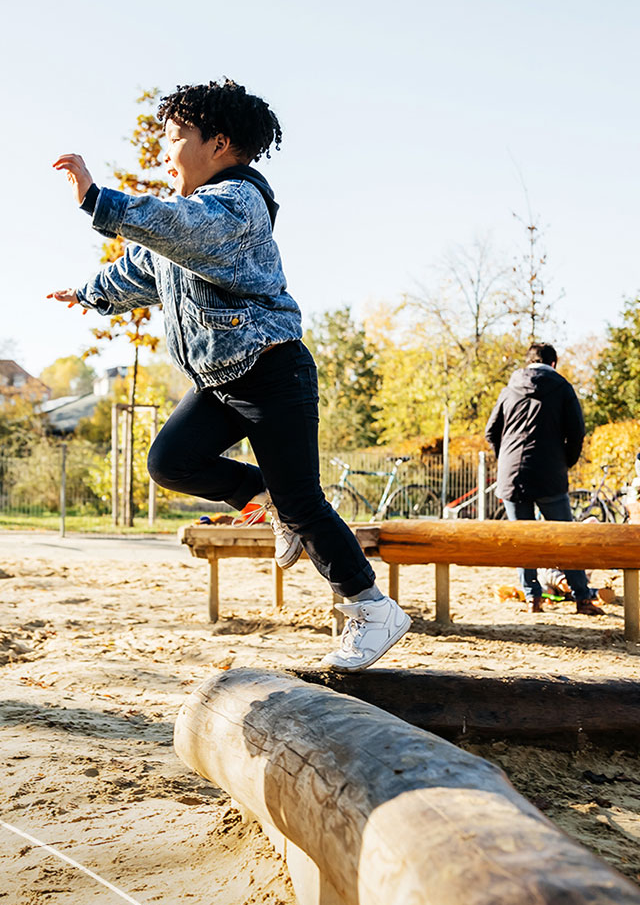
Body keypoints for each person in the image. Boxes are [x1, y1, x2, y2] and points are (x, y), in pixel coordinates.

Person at [44, 78, 410, 669]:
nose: (165, 151)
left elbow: (176, 226)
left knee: (303, 499)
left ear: (217, 144)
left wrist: (98, 199)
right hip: (221, 379)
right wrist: (89, 293)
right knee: (170, 461)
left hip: (271, 371)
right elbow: (143, 267)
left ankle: (372, 607)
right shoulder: (191, 222)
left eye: (175, 138)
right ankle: (261, 498)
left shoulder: (237, 203)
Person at [485, 343, 603, 615]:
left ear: (529, 362)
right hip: (550, 474)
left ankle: (533, 599)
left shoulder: (509, 389)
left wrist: (506, 460)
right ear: (553, 364)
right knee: (565, 538)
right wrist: (565, 462)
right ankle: (582, 598)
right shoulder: (562, 388)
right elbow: (577, 432)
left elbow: (491, 432)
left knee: (522, 540)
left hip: (513, 476)